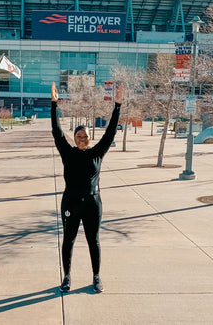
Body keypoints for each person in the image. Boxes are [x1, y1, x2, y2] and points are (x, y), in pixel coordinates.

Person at [51, 81, 124, 293]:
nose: (82, 138)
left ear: (90, 138)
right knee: (69, 241)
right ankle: (66, 277)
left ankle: (96, 276)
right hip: (71, 202)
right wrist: (54, 104)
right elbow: (57, 132)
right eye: (78, 136)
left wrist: (117, 105)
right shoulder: (68, 152)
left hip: (93, 202)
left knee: (94, 241)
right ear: (74, 139)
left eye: (85, 136)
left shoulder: (97, 153)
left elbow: (110, 133)